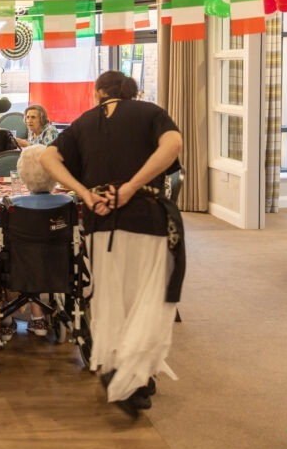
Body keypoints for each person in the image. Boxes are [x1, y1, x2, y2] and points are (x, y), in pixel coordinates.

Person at [40, 70, 183, 418]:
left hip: (100, 221)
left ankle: (132, 375)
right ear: (129, 92)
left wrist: (84, 193)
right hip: (146, 218)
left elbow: (46, 158)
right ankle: (128, 375)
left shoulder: (83, 122)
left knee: (111, 300)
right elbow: (174, 144)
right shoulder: (151, 113)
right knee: (145, 298)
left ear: (99, 93)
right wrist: (132, 185)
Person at [0, 145, 68, 342]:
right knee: (39, 253)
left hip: (19, 267)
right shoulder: (67, 203)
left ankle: (7, 319)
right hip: (57, 266)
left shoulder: (11, 205)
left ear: (22, 174)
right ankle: (38, 316)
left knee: (7, 254)